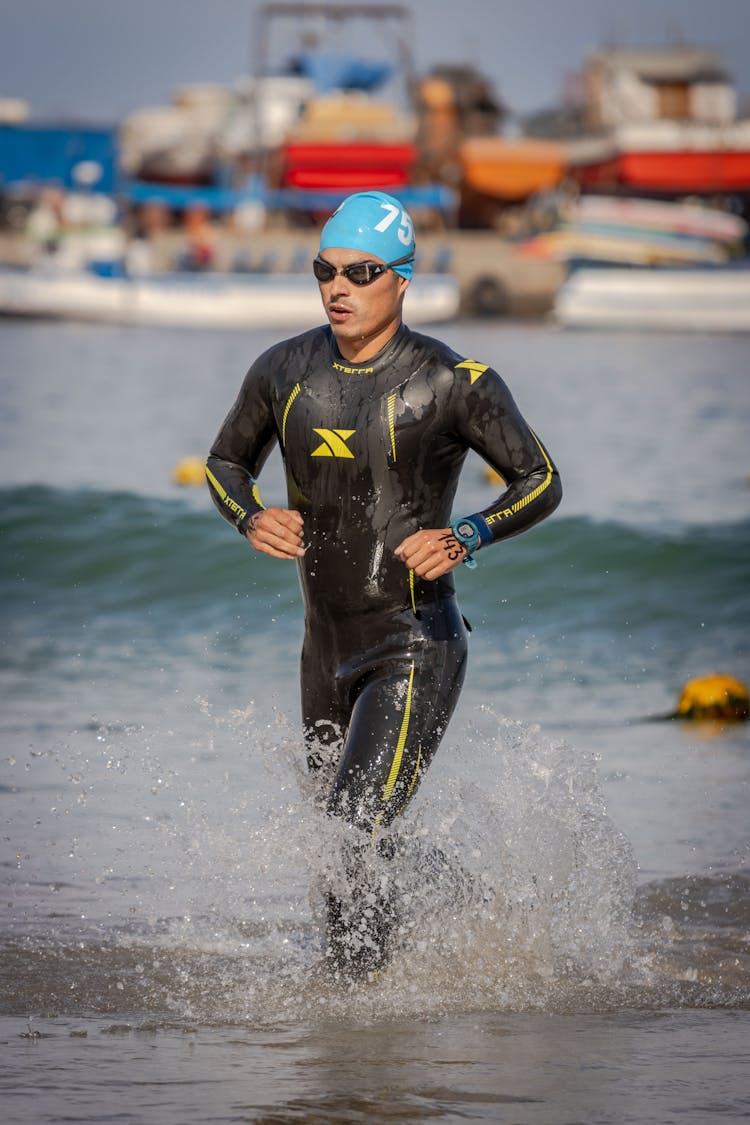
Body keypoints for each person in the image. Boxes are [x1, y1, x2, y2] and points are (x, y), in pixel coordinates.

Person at [206, 190, 561, 979]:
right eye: (324, 270)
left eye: (360, 272)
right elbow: (225, 462)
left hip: (415, 646)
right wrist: (249, 517)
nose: (338, 286)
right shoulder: (283, 370)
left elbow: (540, 480)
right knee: (337, 849)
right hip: (322, 652)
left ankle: (358, 1011)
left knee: (350, 827)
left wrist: (469, 534)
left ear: (401, 279)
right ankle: (413, 954)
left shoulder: (453, 380)